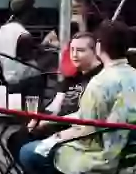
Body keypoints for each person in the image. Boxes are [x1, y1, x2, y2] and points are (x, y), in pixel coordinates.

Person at [19, 21, 136, 174]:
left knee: (30, 153)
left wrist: (56, 137)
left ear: (99, 47)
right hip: (129, 153)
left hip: (102, 154)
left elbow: (87, 127)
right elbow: (92, 118)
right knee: (42, 151)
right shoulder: (134, 76)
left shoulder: (101, 83)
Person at [6, 32, 102, 161]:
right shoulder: (71, 79)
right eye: (72, 50)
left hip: (74, 132)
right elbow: (55, 105)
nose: (74, 55)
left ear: (95, 52)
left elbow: (88, 115)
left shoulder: (100, 78)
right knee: (16, 139)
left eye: (80, 50)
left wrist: (49, 122)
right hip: (52, 126)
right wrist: (38, 118)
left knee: (22, 144)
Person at [0, 0, 44, 89]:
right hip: (26, 82)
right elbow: (27, 60)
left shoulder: (3, 29)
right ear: (26, 12)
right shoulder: (23, 34)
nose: (34, 12)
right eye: (32, 9)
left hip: (8, 78)